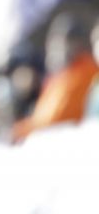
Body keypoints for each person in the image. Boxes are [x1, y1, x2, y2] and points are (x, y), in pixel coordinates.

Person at [12, 11, 99, 141]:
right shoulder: (61, 74)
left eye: (64, 41)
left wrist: (19, 130)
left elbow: (57, 118)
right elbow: (42, 115)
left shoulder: (85, 70)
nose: (57, 47)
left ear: (78, 43)